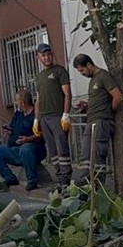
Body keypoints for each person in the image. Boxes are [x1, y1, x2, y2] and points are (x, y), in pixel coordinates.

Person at [71, 54, 123, 187]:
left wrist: (108, 110)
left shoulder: (103, 76)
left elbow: (117, 97)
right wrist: (87, 106)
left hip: (101, 121)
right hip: (92, 120)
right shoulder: (93, 80)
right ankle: (86, 184)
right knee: (86, 154)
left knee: (97, 155)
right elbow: (100, 99)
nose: (82, 74)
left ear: (89, 65)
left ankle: (97, 186)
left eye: (82, 70)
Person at [0, 90, 46, 191]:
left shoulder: (36, 116)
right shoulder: (18, 114)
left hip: (33, 149)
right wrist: (10, 131)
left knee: (25, 148)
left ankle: (32, 181)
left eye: (16, 101)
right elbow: (13, 128)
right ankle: (9, 178)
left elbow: (43, 134)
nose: (15, 103)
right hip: (14, 149)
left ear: (22, 103)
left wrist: (28, 139)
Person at [32, 43, 72, 187]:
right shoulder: (39, 77)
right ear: (38, 57)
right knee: (53, 151)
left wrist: (66, 114)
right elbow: (38, 99)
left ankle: (66, 179)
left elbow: (67, 94)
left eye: (49, 54)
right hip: (44, 118)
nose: (47, 57)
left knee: (62, 149)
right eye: (43, 55)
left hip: (57, 116)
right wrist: (36, 119)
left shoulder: (59, 71)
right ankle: (59, 177)